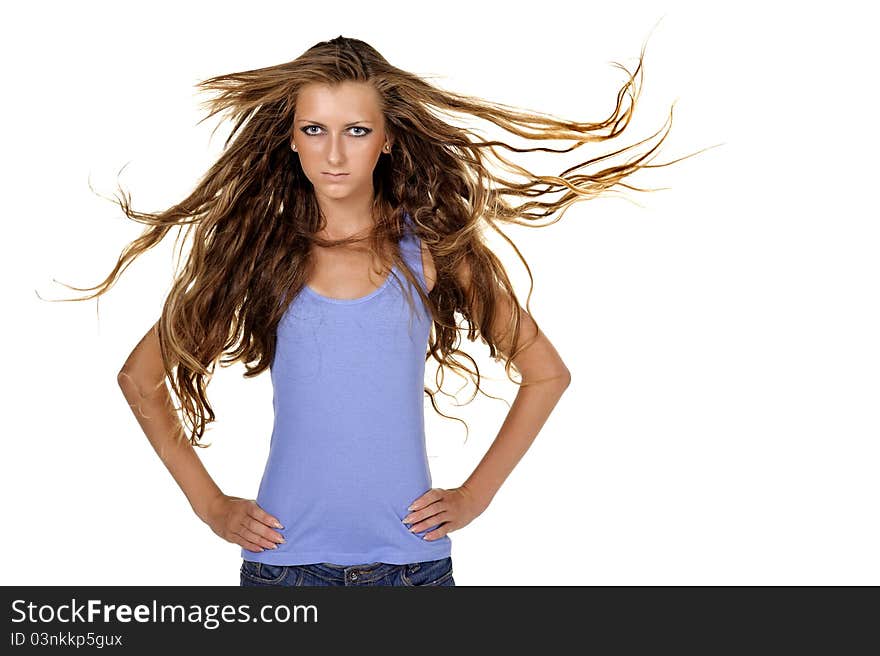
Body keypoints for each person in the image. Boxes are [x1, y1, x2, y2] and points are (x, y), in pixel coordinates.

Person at [61, 35, 696, 586]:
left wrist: (476, 495)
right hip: (284, 568)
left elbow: (547, 372)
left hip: (412, 568)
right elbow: (139, 376)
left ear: (387, 140)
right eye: (315, 129)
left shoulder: (434, 252)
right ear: (291, 138)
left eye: (356, 130)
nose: (334, 153)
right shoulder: (258, 255)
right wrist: (210, 507)